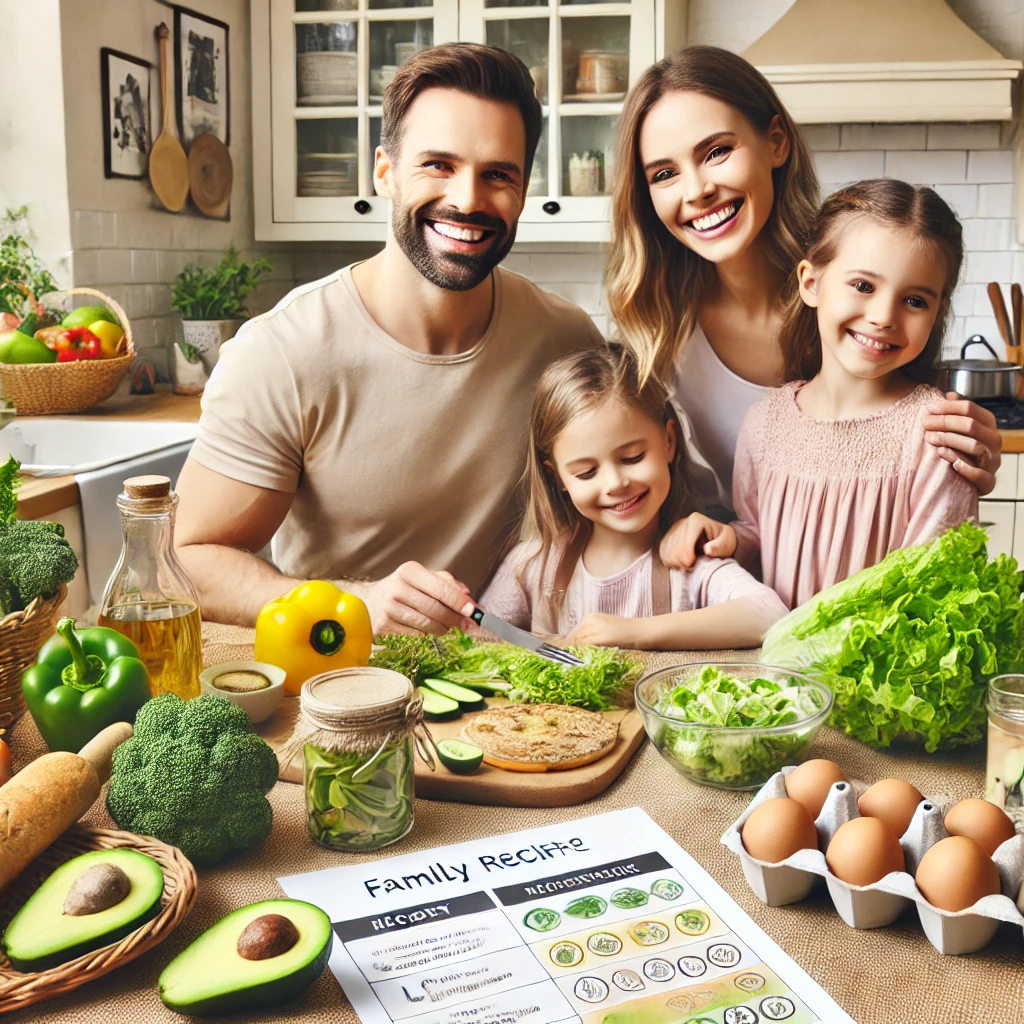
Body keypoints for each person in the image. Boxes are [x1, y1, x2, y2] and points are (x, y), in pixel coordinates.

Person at [174, 44, 604, 631]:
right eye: (438, 165)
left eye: (498, 174)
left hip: (518, 681)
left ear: (524, 189)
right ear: (384, 171)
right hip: (344, 686)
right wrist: (356, 606)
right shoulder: (282, 353)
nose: (468, 199)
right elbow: (186, 560)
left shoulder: (565, 339)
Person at [605, 45, 1001, 536]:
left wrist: (965, 443)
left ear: (776, 141)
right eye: (664, 174)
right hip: (724, 578)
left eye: (717, 152)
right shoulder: (656, 324)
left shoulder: (851, 295)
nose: (696, 190)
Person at [671, 179, 978, 611]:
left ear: (937, 313)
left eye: (914, 301)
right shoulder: (766, 421)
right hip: (776, 673)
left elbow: (934, 588)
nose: (883, 317)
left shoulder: (934, 435)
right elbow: (758, 535)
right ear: (811, 282)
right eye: (864, 286)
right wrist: (730, 539)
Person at [480, 346, 788, 649]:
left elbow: (770, 614)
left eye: (632, 458)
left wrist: (637, 632)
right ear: (557, 476)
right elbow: (479, 634)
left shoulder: (687, 564)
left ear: (669, 441)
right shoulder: (535, 563)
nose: (615, 483)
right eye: (587, 472)